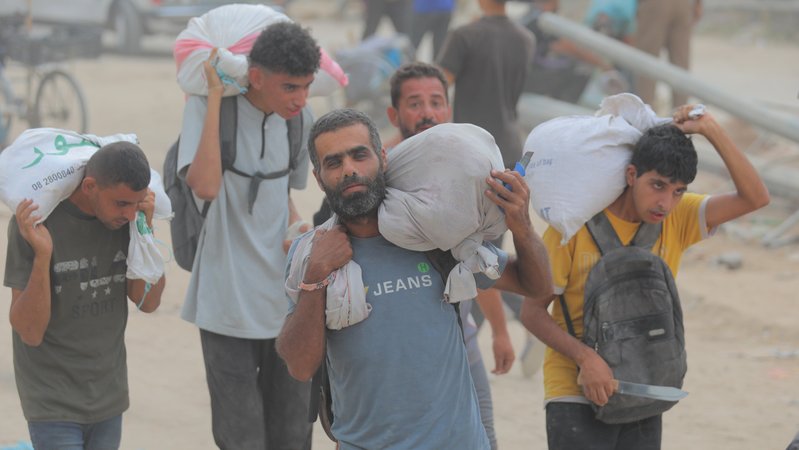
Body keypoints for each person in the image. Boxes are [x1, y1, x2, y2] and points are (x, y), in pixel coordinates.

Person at [277, 108, 553, 449]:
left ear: (382, 159)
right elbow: (300, 366)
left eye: (359, 155)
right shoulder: (310, 253)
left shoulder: (434, 235)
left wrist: (522, 226)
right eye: (334, 163)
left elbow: (535, 286)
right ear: (319, 179)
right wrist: (316, 276)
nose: (349, 169)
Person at [520, 105, 770, 450]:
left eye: (678, 190)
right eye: (658, 185)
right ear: (631, 174)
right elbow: (531, 312)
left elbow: (755, 197)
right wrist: (586, 359)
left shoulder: (679, 218)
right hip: (575, 390)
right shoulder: (574, 226)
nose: (665, 203)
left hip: (644, 389)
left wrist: (710, 129)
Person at [176, 22, 319, 449]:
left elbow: (284, 196)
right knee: (241, 437)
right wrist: (217, 96)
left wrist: (298, 229)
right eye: (290, 86)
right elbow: (204, 186)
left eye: (308, 86)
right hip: (224, 302)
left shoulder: (299, 120)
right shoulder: (206, 109)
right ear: (255, 76)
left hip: (284, 302)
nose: (301, 98)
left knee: (293, 434)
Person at [385, 61, 513, 449]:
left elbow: (474, 256)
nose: (427, 113)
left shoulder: (469, 171)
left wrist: (502, 330)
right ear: (394, 114)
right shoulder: (379, 175)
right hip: (401, 354)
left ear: (449, 110)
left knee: (483, 439)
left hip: (462, 340)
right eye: (415, 103)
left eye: (436, 102)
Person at [4, 141, 165, 449]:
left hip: (109, 397)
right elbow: (30, 332)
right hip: (53, 401)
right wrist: (42, 257)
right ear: (90, 186)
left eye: (136, 204)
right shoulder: (37, 223)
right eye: (121, 204)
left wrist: (146, 230)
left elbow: (148, 302)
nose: (129, 214)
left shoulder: (129, 222)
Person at [437, 0, 535, 170]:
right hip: (510, 150)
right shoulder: (527, 39)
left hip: (470, 148)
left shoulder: (464, 35)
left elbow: (437, 91)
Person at [521, 0, 615, 104]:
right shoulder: (542, 19)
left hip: (526, 73)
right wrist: (603, 65)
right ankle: (562, 106)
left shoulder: (533, 15)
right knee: (580, 70)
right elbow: (566, 47)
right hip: (530, 77)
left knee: (566, 65)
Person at [634, 0, 702, 110]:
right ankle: (682, 119)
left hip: (655, 5)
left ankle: (644, 117)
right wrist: (698, 4)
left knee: (647, 63)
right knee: (680, 64)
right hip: (683, 4)